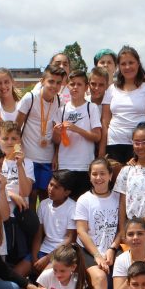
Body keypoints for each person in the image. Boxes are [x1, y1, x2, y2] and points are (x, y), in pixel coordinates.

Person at [74, 158, 121, 289]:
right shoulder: (84, 199)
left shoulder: (119, 197)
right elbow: (81, 231)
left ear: (110, 175)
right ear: (89, 176)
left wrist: (112, 249)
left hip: (113, 248)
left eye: (102, 173)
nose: (98, 178)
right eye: (94, 174)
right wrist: (97, 256)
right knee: (100, 277)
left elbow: (122, 228)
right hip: (88, 251)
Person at [101, 46, 145, 163]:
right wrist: (102, 150)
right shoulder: (111, 89)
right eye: (123, 64)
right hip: (114, 144)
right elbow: (105, 122)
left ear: (138, 64)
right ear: (118, 67)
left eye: (131, 63)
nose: (127, 67)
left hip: (141, 146)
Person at [15, 64, 65, 204]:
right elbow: (16, 127)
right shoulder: (30, 98)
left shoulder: (59, 101)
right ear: (42, 81)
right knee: (30, 196)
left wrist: (56, 155)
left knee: (46, 197)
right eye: (51, 81)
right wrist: (18, 152)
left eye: (58, 83)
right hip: (29, 156)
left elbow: (58, 132)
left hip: (47, 158)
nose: (54, 86)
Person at [51, 69, 102, 199]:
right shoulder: (61, 110)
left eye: (79, 84)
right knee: (64, 203)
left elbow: (97, 136)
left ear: (86, 87)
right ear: (67, 86)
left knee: (82, 203)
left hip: (84, 165)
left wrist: (77, 129)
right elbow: (56, 141)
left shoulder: (91, 108)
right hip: (64, 165)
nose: (75, 87)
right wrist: (56, 133)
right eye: (72, 84)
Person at [0, 122, 37, 277]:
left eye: (14, 138)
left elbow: (25, 191)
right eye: (5, 138)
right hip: (1, 215)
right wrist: (12, 195)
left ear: (20, 140)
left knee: (19, 253)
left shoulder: (27, 163)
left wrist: (19, 165)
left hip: (19, 217)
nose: (10, 142)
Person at [33, 171, 76, 273]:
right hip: (43, 249)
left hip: (62, 253)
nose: (51, 189)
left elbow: (70, 239)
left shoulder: (73, 207)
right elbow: (38, 235)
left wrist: (48, 258)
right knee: (19, 272)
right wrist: (34, 257)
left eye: (56, 187)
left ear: (67, 192)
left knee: (44, 277)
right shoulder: (43, 204)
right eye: (51, 184)